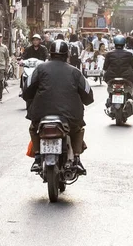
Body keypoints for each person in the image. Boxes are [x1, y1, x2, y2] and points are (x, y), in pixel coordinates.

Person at [23, 39, 94, 174]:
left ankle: (38, 157)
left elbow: (26, 90)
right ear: (67, 55)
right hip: (70, 117)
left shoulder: (40, 68)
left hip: (40, 114)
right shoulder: (75, 72)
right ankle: (77, 158)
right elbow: (88, 95)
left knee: (34, 128)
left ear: (50, 53)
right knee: (77, 130)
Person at [103, 35, 133, 101]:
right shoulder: (129, 54)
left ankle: (110, 97)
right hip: (127, 76)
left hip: (111, 77)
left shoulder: (109, 54)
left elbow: (105, 67)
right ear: (124, 44)